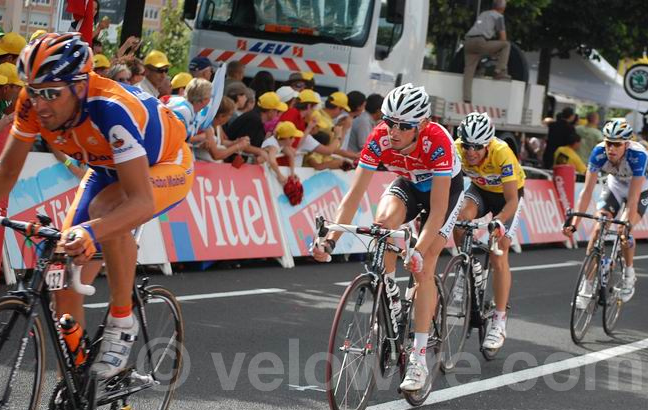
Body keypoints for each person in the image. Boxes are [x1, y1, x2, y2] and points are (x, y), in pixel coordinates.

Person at [0, 33, 193, 410]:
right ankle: (75, 386)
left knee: (105, 214)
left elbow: (137, 202)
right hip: (106, 167)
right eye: (33, 90)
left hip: (165, 165)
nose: (40, 102)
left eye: (51, 91)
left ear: (81, 86)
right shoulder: (32, 104)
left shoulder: (110, 110)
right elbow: (6, 173)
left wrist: (90, 231)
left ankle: (122, 322)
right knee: (62, 270)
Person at [311, 83, 463, 392]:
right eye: (388, 121)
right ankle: (390, 295)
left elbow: (436, 212)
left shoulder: (437, 142)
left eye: (403, 126)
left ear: (421, 124)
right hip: (407, 185)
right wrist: (330, 239)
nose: (393, 130)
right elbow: (353, 196)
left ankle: (419, 358)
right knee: (382, 225)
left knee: (424, 265)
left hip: (443, 193)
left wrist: (418, 249)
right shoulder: (380, 136)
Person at [453, 112, 524, 350]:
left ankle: (499, 321)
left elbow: (512, 200)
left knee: (499, 252)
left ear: (488, 144)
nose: (471, 151)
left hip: (506, 198)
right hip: (480, 190)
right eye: (467, 146)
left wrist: (500, 221)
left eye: (477, 147)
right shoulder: (457, 149)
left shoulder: (502, 152)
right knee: (460, 220)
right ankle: (467, 265)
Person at [563, 120, 648, 304]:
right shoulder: (598, 153)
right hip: (615, 185)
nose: (611, 148)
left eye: (617, 144)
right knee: (598, 229)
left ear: (626, 144)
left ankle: (629, 274)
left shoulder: (638, 156)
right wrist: (575, 224)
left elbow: (634, 198)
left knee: (623, 231)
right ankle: (586, 286)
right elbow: (587, 191)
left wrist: (626, 223)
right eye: (608, 142)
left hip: (640, 189)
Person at [462, 0, 510, 103]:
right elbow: (503, 38)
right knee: (506, 45)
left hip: (468, 42)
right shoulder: (499, 16)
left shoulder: (483, 13)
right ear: (503, 8)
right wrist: (497, 53)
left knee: (469, 71)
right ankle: (499, 71)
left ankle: (467, 98)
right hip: (480, 42)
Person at [223, 91, 286, 161]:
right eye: (277, 111)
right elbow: (243, 144)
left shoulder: (255, 117)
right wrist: (261, 151)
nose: (278, 114)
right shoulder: (254, 120)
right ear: (270, 111)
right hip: (229, 160)